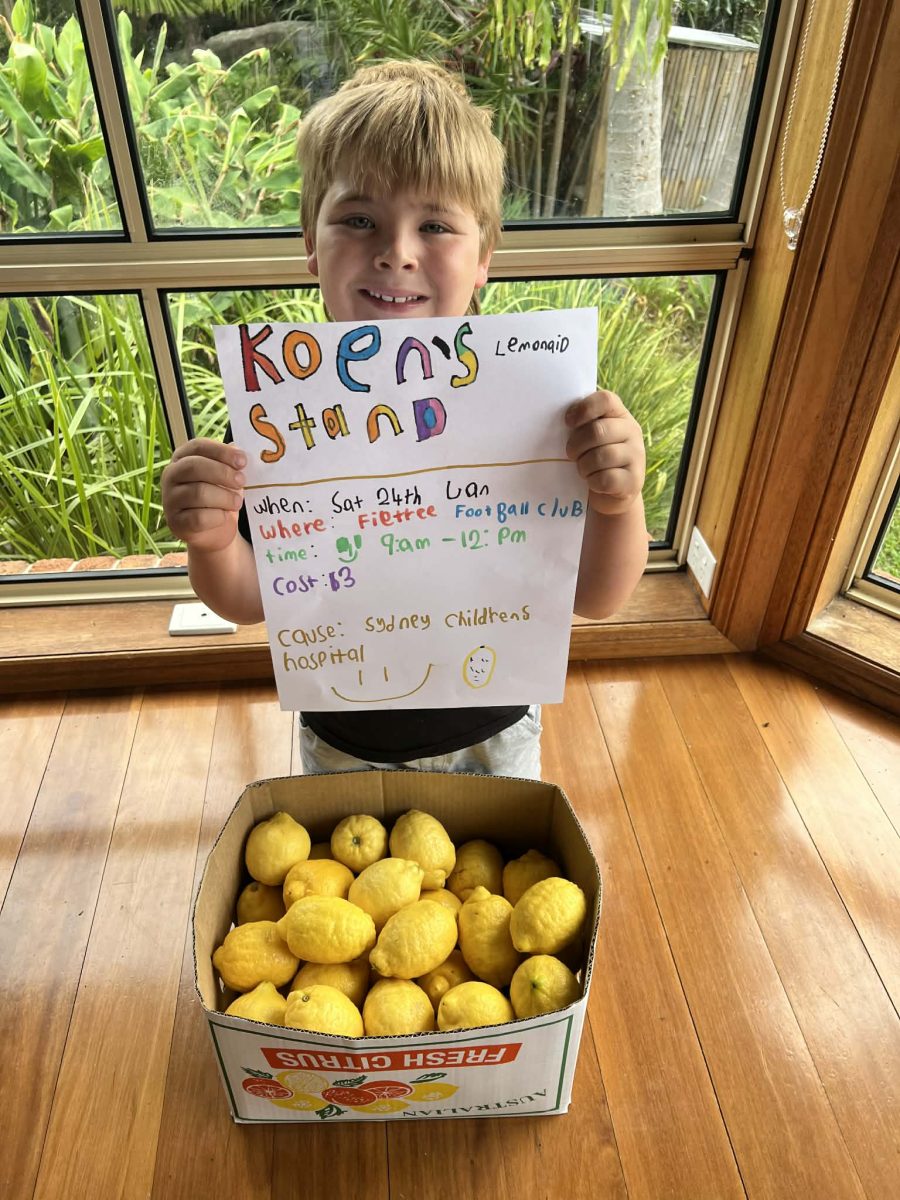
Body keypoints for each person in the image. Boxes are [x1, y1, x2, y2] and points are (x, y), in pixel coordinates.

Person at [161, 59, 648, 780]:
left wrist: (618, 499)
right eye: (358, 220)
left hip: (496, 733)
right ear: (309, 243)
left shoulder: (543, 409)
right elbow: (247, 599)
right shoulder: (282, 421)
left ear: (483, 258)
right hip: (343, 739)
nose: (396, 253)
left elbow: (600, 598)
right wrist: (208, 542)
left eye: (436, 225)